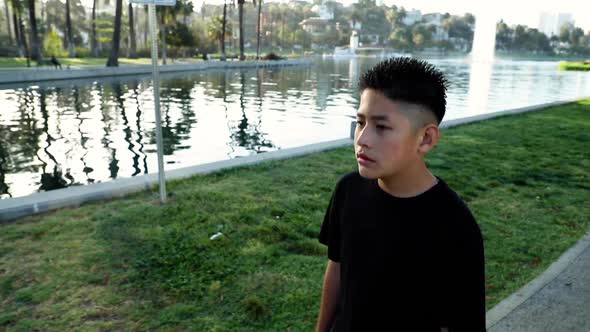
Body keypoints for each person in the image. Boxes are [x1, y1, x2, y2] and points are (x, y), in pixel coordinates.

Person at [316, 57, 485, 332]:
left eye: (381, 127)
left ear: (426, 139)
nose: (362, 139)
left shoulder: (455, 226)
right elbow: (337, 269)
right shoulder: (348, 190)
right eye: (361, 122)